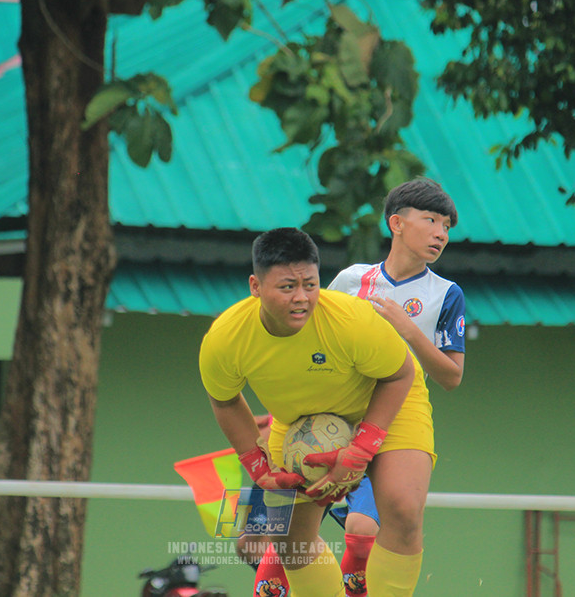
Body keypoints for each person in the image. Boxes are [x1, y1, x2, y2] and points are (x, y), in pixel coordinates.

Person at [200, 227, 435, 597]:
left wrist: (360, 451)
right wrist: (258, 469)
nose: (302, 298)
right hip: (299, 422)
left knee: (403, 510)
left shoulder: (351, 320)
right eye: (287, 287)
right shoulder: (225, 339)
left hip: (388, 398)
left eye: (310, 284)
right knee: (288, 538)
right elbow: (225, 400)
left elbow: (401, 373)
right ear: (255, 286)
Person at [326, 176, 466, 595]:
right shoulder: (351, 280)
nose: (441, 233)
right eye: (431, 220)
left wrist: (408, 329)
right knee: (274, 535)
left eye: (446, 226)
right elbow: (317, 342)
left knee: (384, 520)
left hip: (401, 409)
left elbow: (451, 376)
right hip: (338, 408)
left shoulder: (446, 294)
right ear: (397, 224)